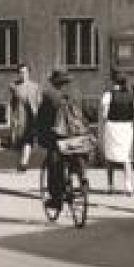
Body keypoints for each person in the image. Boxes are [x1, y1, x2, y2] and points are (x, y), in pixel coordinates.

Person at [36, 68, 89, 207]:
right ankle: (82, 178)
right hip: (77, 135)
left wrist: (39, 133)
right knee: (77, 156)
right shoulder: (76, 94)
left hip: (59, 137)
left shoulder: (49, 95)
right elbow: (85, 113)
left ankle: (56, 198)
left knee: (54, 164)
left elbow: (42, 118)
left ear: (54, 82)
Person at [99, 70, 134, 195]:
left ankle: (110, 185)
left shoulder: (108, 95)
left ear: (113, 81)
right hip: (127, 127)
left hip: (112, 126)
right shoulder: (131, 95)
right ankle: (128, 185)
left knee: (110, 157)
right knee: (126, 157)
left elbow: (105, 114)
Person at [7, 65, 42, 172]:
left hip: (31, 118)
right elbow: (11, 103)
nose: (23, 74)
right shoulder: (14, 86)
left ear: (29, 73)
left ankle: (24, 163)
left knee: (28, 140)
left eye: (25, 72)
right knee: (19, 142)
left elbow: (39, 102)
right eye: (21, 72)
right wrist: (9, 118)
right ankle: (21, 162)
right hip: (19, 117)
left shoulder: (35, 86)